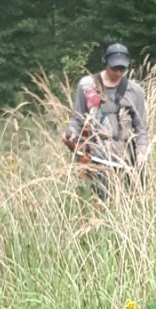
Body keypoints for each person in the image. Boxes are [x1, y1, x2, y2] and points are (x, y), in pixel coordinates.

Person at [64, 43, 149, 197]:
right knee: (101, 206)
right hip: (96, 159)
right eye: (114, 68)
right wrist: (71, 133)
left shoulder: (135, 91)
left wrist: (142, 152)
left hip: (126, 160)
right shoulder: (86, 86)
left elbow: (141, 128)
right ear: (105, 63)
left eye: (122, 69)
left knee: (130, 205)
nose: (117, 72)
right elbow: (77, 119)